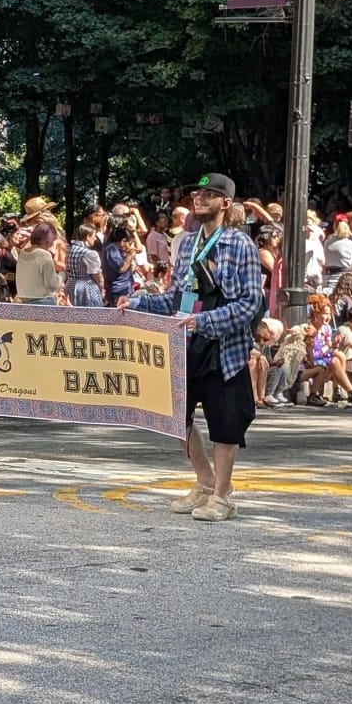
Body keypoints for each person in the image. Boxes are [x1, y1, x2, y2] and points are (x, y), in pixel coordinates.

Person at [119, 172, 261, 522]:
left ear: (225, 204)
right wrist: (137, 304)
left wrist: (206, 322)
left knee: (225, 423)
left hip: (224, 347)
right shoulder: (186, 242)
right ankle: (204, 480)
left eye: (210, 195)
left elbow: (250, 303)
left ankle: (223, 495)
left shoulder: (240, 244)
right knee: (176, 417)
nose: (200, 199)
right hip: (188, 342)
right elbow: (175, 298)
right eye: (198, 194)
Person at [15, 221, 62, 305]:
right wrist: (62, 275)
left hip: (23, 301)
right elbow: (52, 284)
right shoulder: (44, 255)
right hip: (43, 301)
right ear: (48, 240)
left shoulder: (21, 253)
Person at [65, 223, 104, 307]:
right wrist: (101, 288)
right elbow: (97, 275)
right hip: (86, 287)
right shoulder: (89, 253)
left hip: (71, 285)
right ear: (87, 236)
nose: (95, 239)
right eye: (94, 236)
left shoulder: (71, 249)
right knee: (90, 315)